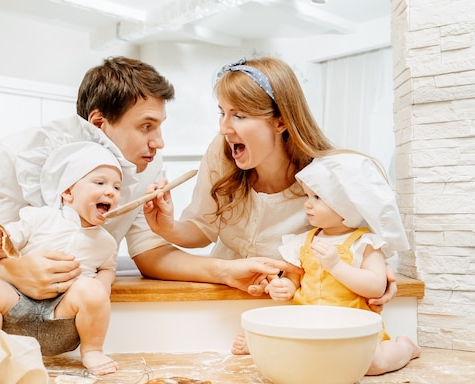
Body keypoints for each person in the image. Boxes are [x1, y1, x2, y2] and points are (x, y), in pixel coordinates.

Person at [0, 56, 304, 306]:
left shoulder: (147, 164)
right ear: (99, 123)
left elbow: (151, 254)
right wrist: (15, 272)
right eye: (147, 126)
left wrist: (225, 271)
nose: (159, 142)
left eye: (160, 127)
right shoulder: (16, 156)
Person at [141, 56, 397, 354]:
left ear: (280, 121)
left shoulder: (325, 181)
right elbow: (202, 229)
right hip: (220, 305)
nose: (224, 128)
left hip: (289, 313)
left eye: (239, 115)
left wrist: (381, 275)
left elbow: (355, 245)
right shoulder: (222, 153)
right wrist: (167, 227)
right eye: (222, 113)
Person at [0, 142, 124, 373]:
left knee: (92, 289)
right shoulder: (39, 217)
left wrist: (101, 287)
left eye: (117, 187)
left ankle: (92, 351)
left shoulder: (106, 242)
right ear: (68, 192)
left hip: (62, 318)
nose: (111, 191)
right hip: (17, 308)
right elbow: (9, 245)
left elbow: (108, 268)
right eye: (100, 183)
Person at [264, 152, 421, 375]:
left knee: (373, 364)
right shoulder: (302, 242)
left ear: (348, 205)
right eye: (308, 196)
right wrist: (284, 287)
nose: (308, 204)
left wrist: (337, 266)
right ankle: (260, 343)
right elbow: (294, 278)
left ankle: (405, 347)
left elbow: (376, 286)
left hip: (354, 329)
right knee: (295, 357)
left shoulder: (364, 243)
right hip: (309, 325)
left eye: (318, 198)